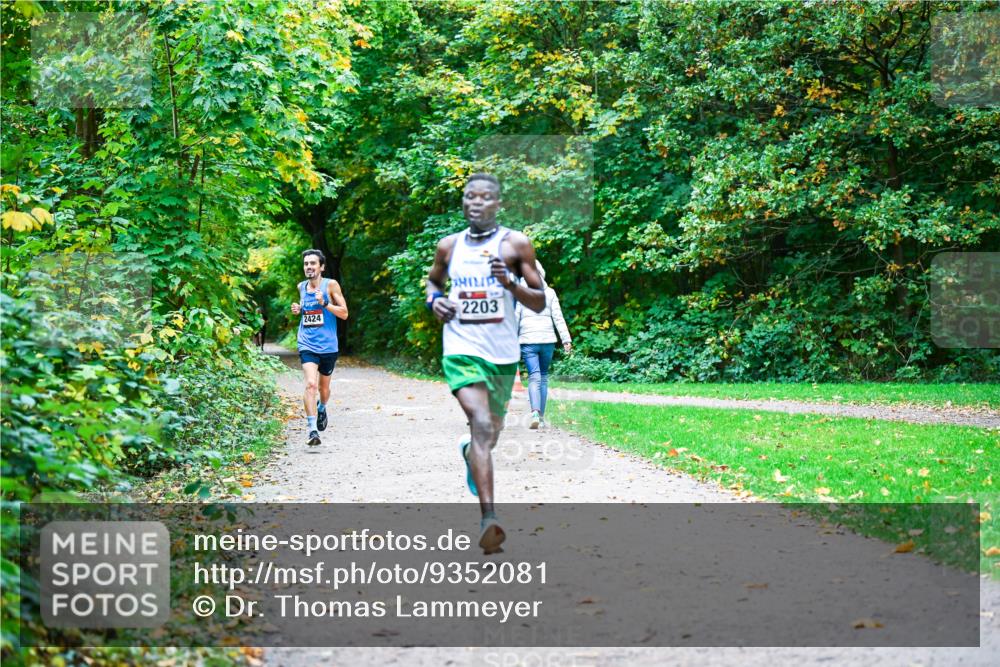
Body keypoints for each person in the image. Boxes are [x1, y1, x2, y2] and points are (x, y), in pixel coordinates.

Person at [426, 173, 545, 554]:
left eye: (485, 197)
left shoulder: (515, 245)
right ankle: (489, 519)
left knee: (489, 433)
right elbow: (433, 283)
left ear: (498, 203)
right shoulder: (449, 246)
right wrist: (435, 302)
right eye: (469, 196)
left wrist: (510, 284)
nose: (476, 202)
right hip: (460, 348)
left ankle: (469, 453)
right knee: (479, 424)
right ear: (463, 202)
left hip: (502, 355)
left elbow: (540, 301)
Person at [290, 249, 348, 447]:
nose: (309, 267)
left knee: (324, 389)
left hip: (328, 346)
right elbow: (307, 310)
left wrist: (325, 304)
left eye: (313, 263)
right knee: (310, 385)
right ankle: (312, 430)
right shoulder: (301, 286)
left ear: (321, 267)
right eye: (306, 264)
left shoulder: (330, 285)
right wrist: (300, 309)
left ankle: (322, 407)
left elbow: (344, 313)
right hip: (307, 343)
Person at [516, 261, 572, 429]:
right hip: (547, 341)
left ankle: (534, 412)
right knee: (544, 377)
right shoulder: (550, 293)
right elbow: (558, 318)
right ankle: (541, 417)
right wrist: (566, 339)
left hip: (528, 341)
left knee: (534, 376)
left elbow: (515, 318)